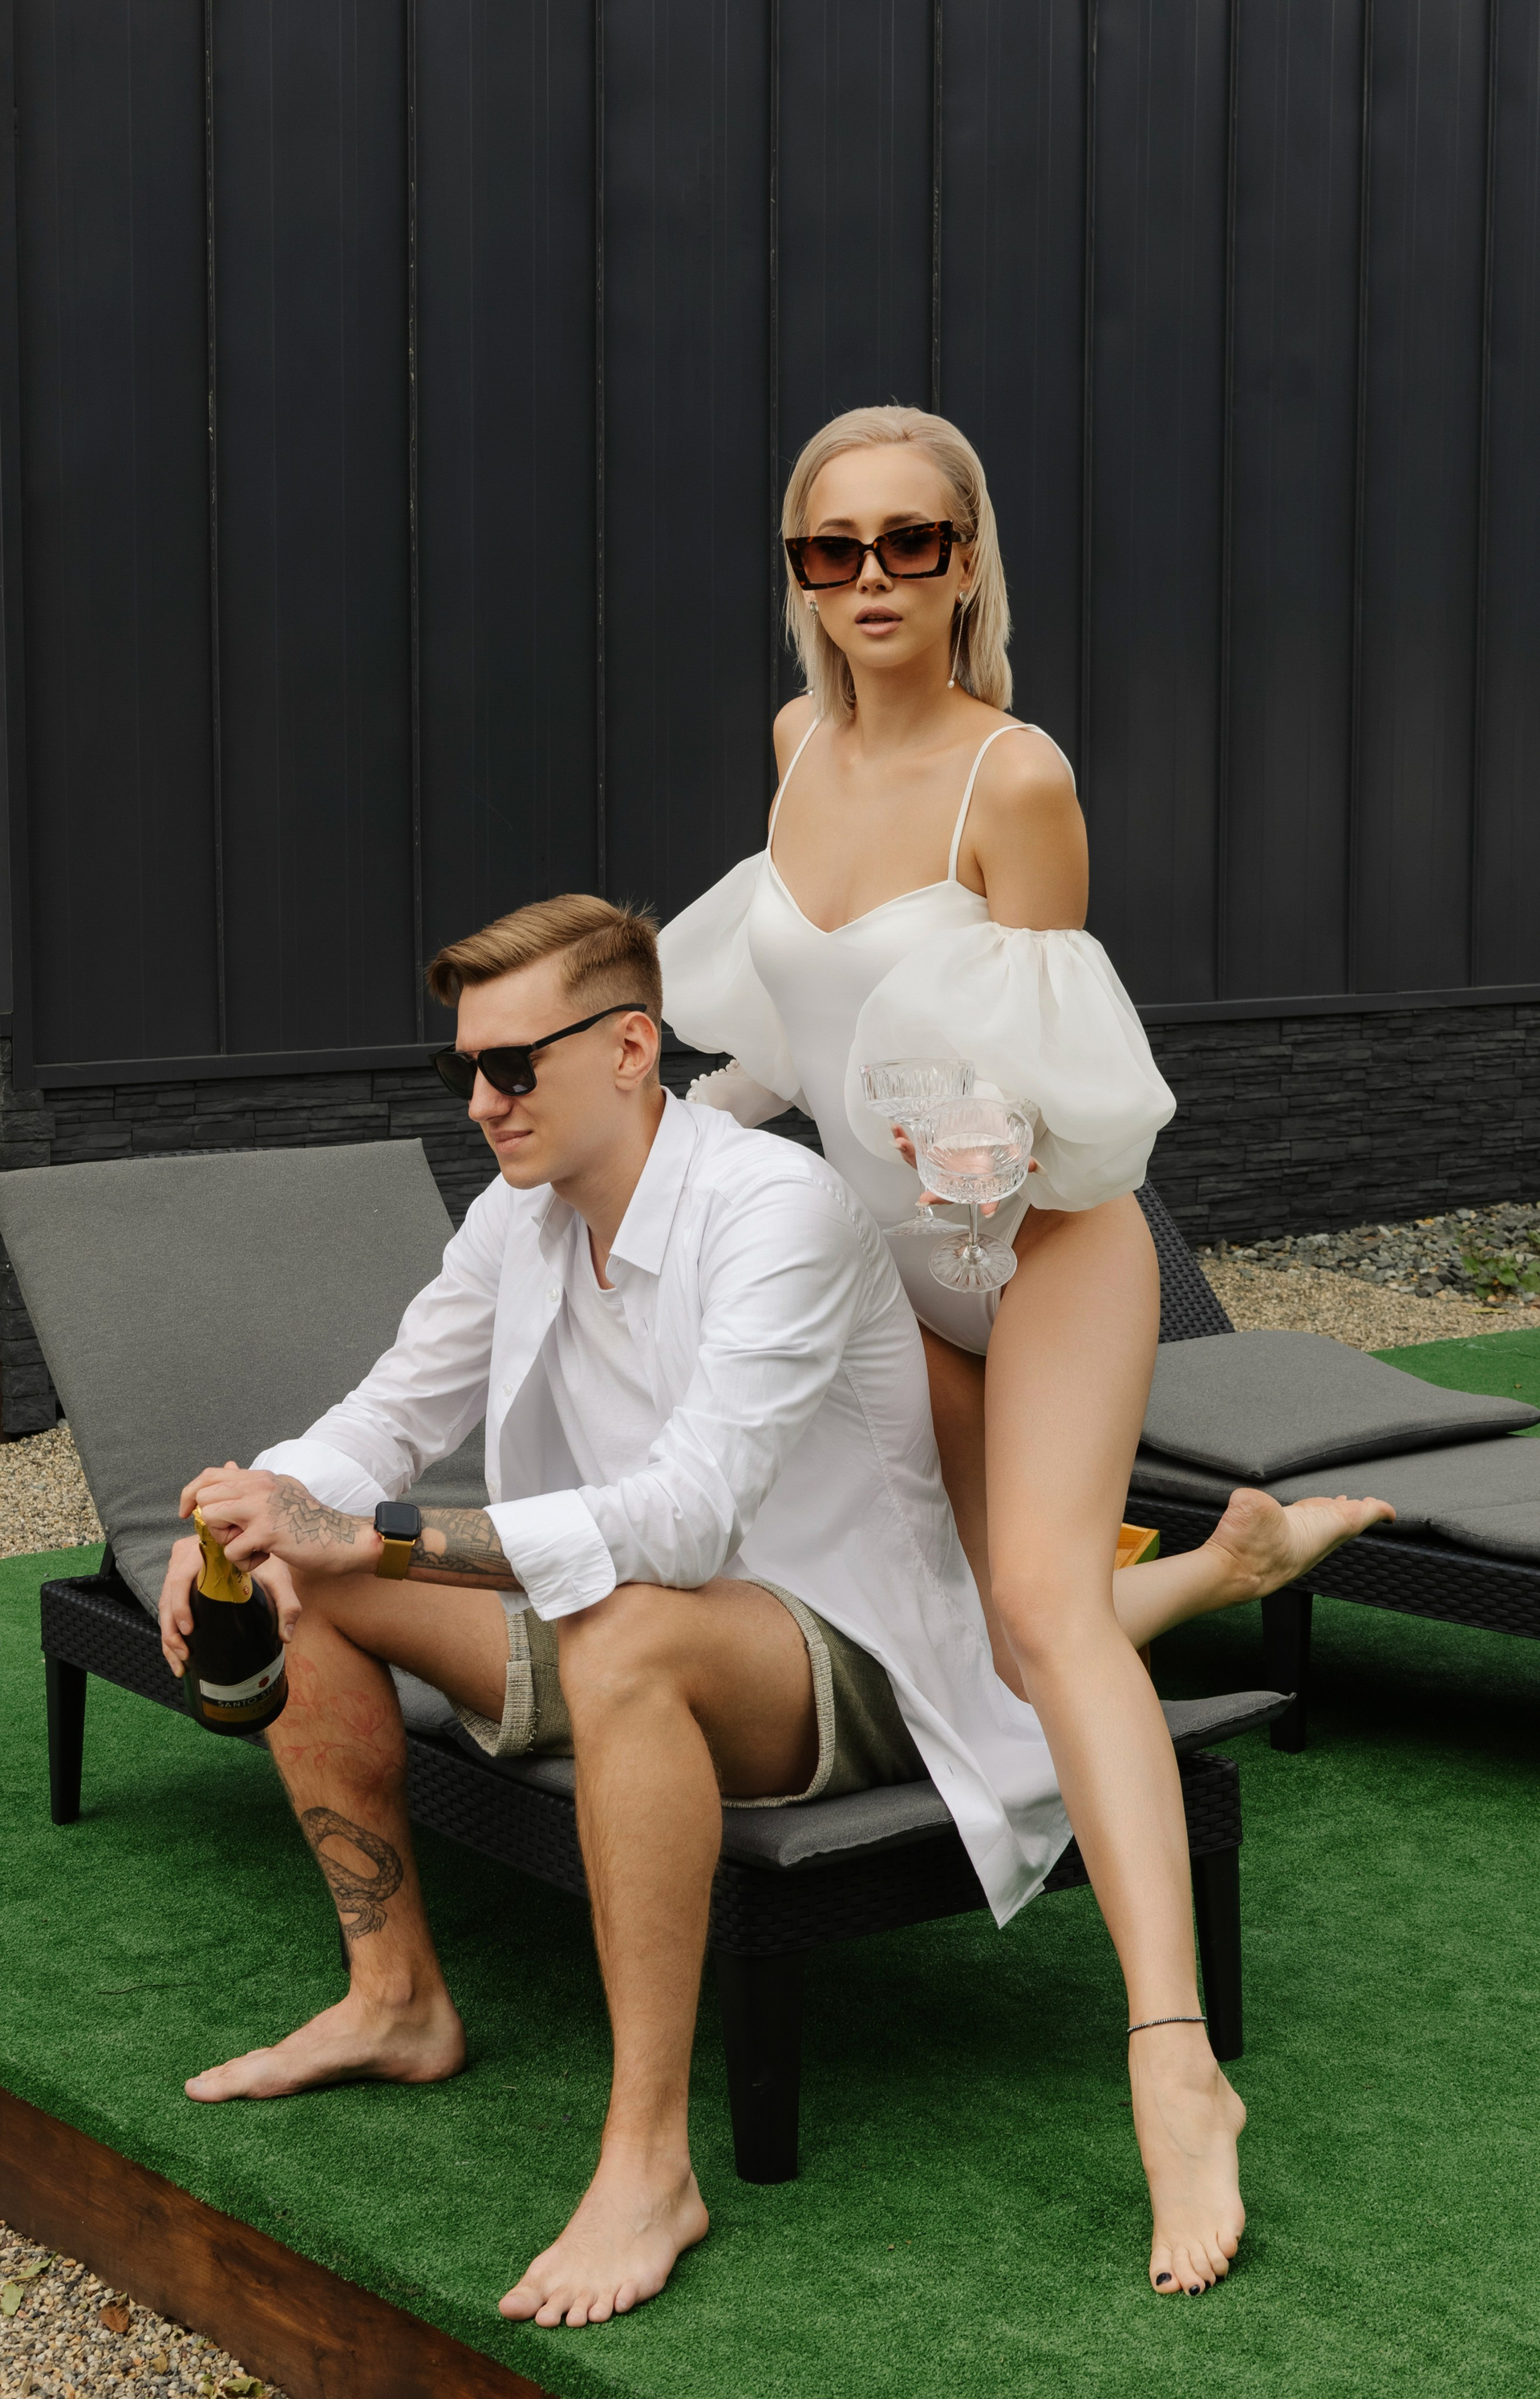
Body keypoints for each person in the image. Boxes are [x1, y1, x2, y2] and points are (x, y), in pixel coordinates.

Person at [658, 405, 1394, 2297]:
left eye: (911, 541)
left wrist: (978, 1163)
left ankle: (1176, 2066)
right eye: (833, 547)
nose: (872, 578)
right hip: (886, 1261)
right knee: (986, 1615)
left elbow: (1071, 1099)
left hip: (1049, 1247)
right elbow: (788, 1033)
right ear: (799, 569)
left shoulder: (1019, 776)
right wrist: (668, 1139)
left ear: (966, 558)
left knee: (1043, 1611)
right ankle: (1230, 1562)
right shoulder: (796, 745)